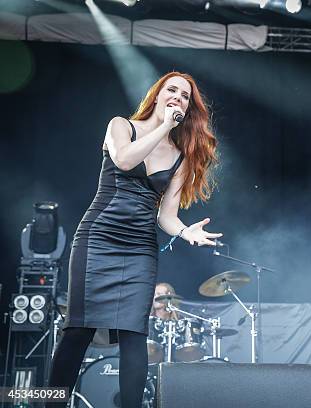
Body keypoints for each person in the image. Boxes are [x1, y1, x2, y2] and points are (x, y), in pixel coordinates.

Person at [48, 72, 222, 407]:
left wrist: (187, 232)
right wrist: (163, 127)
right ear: (157, 96)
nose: (178, 98)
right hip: (98, 237)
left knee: (134, 336)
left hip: (140, 248)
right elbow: (125, 160)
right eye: (172, 91)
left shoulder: (179, 156)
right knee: (78, 330)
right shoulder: (121, 126)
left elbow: (167, 216)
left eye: (185, 97)